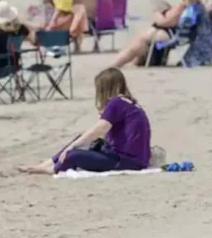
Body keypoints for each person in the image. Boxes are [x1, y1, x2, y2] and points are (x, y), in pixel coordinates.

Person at [18, 68, 151, 175]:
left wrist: (73, 146)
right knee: (81, 139)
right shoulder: (130, 103)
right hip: (138, 159)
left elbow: (100, 129)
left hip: (125, 160)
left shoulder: (115, 102)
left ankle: (51, 168)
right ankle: (46, 164)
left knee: (72, 155)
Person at [111, 0, 202, 68]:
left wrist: (157, 12)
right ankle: (129, 63)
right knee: (141, 39)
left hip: (173, 35)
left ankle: (116, 64)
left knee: (140, 40)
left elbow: (164, 22)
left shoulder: (183, 6)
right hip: (182, 35)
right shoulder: (197, 6)